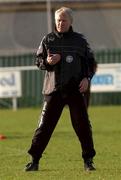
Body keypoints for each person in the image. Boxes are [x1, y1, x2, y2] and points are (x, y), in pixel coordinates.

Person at [25, 7, 96, 172]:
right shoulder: (48, 39)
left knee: (83, 126)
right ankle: (34, 161)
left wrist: (87, 78)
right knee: (44, 127)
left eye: (64, 20)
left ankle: (88, 161)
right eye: (58, 20)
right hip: (53, 90)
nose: (60, 23)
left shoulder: (80, 41)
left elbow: (90, 63)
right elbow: (38, 61)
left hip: (75, 90)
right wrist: (48, 63)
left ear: (71, 22)